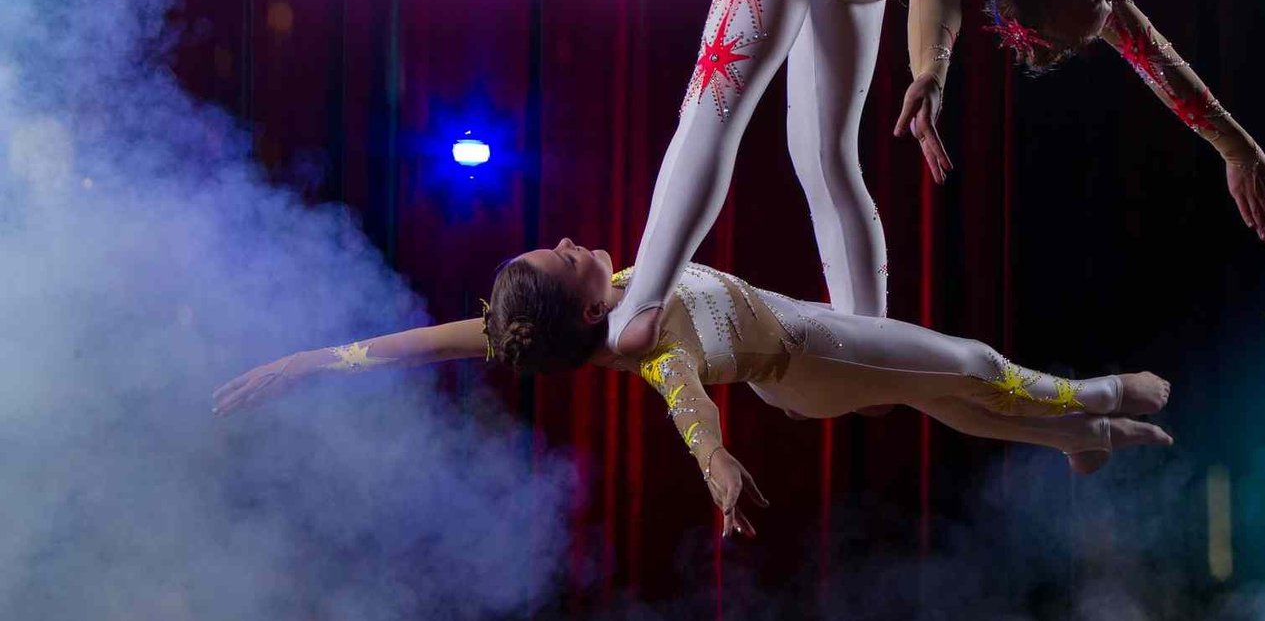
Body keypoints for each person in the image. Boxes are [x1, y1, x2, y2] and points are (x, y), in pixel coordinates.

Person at [608, 0, 1265, 359]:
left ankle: (641, 307)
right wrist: (1235, 145)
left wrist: (929, 73)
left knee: (711, 117)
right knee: (824, 157)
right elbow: (1148, 49)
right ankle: (867, 340)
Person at [213, 239, 1174, 538]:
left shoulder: (558, 327)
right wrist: (714, 463)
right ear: (589, 308)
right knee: (972, 369)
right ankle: (1104, 396)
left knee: (947, 400)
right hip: (817, 356)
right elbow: (687, 403)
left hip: (804, 360)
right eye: (565, 259)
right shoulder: (648, 337)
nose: (569, 240)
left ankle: (1080, 441)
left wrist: (312, 362)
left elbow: (425, 345)